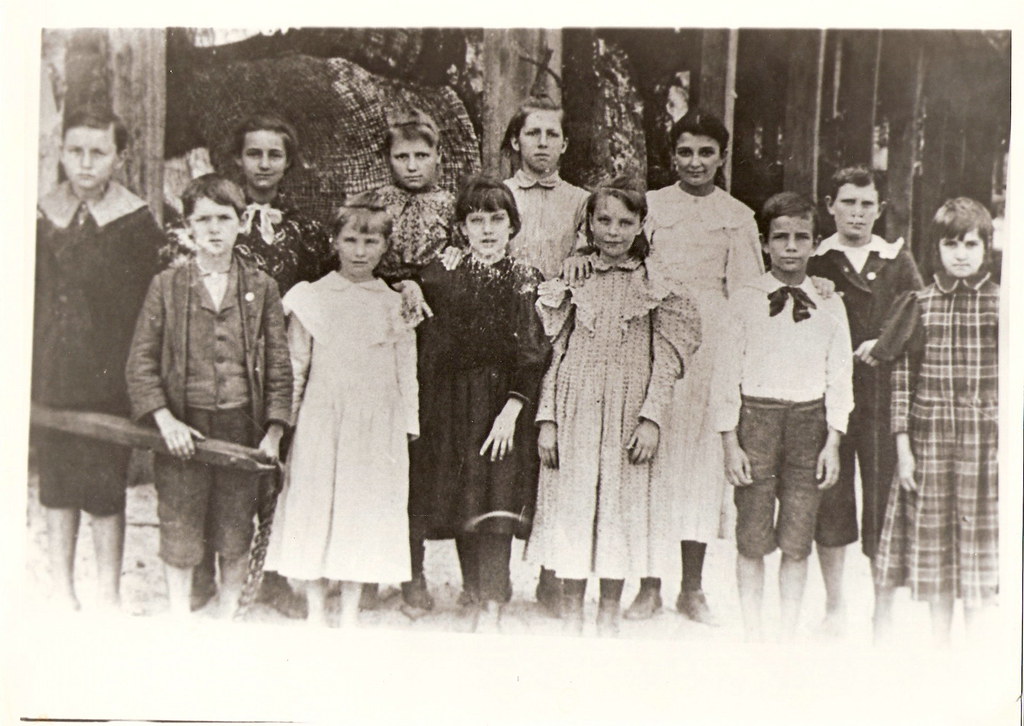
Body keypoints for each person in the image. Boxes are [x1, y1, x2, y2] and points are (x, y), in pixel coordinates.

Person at [163, 114, 333, 614]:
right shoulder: (213, 218)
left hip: (280, 371)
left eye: (274, 154)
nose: (263, 163)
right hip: (216, 370)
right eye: (254, 153)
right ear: (238, 159)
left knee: (272, 476)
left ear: (287, 162)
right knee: (204, 476)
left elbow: (324, 294)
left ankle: (273, 574)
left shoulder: (305, 231)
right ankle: (196, 574)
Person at [527, 179, 701, 636]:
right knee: (573, 503)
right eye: (603, 220)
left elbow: (666, 360)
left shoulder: (656, 284)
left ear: (642, 224)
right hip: (575, 407)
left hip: (627, 409)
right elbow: (555, 351)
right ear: (588, 223)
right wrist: (547, 418)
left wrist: (651, 418)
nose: (613, 231)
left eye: (625, 222)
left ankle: (608, 612)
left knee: (618, 508)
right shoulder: (571, 279)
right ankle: (570, 612)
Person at [125, 174, 292, 619]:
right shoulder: (167, 286)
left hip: (241, 425)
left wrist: (273, 434)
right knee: (180, 521)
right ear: (188, 228)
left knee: (236, 524)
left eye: (224, 218)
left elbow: (279, 367)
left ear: (241, 223)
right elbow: (140, 362)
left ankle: (227, 614)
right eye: (204, 220)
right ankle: (181, 614)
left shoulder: (263, 288)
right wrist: (165, 421)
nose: (214, 229)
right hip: (184, 426)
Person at [623, 110, 765, 623]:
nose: (696, 161)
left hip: (709, 353)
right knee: (651, 464)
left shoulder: (737, 216)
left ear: (722, 157)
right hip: (654, 342)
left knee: (700, 471)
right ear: (671, 156)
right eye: (685, 151)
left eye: (707, 152)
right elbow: (629, 267)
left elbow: (749, 294)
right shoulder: (652, 208)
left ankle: (693, 587)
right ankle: (648, 584)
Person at [265, 193, 419, 627]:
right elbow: (297, 366)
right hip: (323, 417)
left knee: (364, 508)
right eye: (350, 240)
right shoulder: (311, 298)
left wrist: (407, 425)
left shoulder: (395, 303)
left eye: (370, 243)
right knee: (315, 504)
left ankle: (350, 609)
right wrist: (287, 423)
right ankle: (316, 608)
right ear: (334, 241)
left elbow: (407, 370)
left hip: (377, 423)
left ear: (385, 247)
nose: (359, 252)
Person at [32, 108, 163, 612]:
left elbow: (146, 308)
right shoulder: (43, 215)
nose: (85, 164)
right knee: (57, 484)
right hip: (52, 375)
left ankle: (107, 592)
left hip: (109, 378)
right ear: (62, 153)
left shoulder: (136, 223)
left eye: (98, 152)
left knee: (105, 489)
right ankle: (62, 591)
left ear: (118, 156)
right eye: (75, 151)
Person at [411, 177, 551, 631]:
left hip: (503, 404)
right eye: (476, 220)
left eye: (497, 219)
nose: (487, 229)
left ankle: (493, 601)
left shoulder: (526, 279)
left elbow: (532, 353)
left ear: (513, 225)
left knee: (497, 495)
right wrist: (408, 287)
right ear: (462, 227)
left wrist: (512, 409)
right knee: (462, 492)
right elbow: (405, 284)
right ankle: (473, 589)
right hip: (453, 403)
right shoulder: (445, 272)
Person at [713, 192, 852, 641]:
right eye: (781, 238)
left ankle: (786, 635)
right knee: (751, 532)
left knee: (797, 536)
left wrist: (833, 440)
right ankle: (754, 633)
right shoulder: (746, 299)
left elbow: (840, 376)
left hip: (809, 427)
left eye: (801, 238)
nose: (791, 247)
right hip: (757, 422)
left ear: (815, 243)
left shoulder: (829, 302)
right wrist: (729, 441)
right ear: (765, 242)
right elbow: (725, 375)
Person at [871, 198, 999, 645]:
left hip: (987, 449)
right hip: (932, 447)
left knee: (981, 557)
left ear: (987, 247)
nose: (960, 254)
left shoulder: (1003, 306)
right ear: (937, 249)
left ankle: (978, 654)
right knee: (939, 557)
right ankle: (939, 648)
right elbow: (902, 383)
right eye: (950, 245)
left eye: (970, 244)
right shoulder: (920, 304)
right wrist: (904, 450)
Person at [807, 166, 924, 636]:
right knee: (830, 496)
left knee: (882, 499)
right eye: (848, 202)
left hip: (882, 394)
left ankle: (883, 613)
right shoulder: (817, 261)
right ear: (831, 205)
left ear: (880, 210)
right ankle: (835, 608)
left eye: (867, 204)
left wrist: (882, 346)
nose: (857, 213)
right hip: (829, 397)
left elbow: (915, 310)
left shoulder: (896, 259)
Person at [370, 109, 455, 613]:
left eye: (422, 155)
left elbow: (456, 266)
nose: (412, 166)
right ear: (387, 160)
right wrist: (396, 283)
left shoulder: (451, 207)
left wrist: (422, 283)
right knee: (379, 454)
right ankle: (371, 568)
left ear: (438, 157)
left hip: (435, 340)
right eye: (401, 156)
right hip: (382, 335)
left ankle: (415, 572)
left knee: (420, 455)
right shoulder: (375, 206)